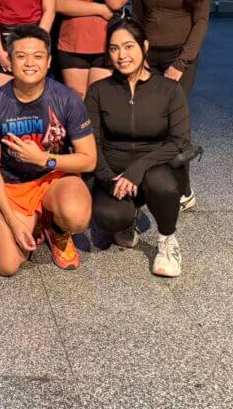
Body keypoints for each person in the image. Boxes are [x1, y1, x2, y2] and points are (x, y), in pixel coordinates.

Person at [0, 25, 97, 275]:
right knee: (6, 266)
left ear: (49, 61)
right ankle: (33, 219)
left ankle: (57, 228)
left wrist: (44, 159)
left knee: (77, 216)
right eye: (21, 56)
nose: (30, 63)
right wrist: (12, 220)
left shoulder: (67, 99)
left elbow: (88, 160)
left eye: (38, 56)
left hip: (54, 179)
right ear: (9, 61)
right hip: (14, 186)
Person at [85, 18, 190, 278]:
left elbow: (179, 141)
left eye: (128, 46)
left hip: (157, 167)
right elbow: (91, 141)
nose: (121, 55)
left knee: (161, 184)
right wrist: (108, 178)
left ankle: (167, 240)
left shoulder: (169, 89)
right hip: (115, 171)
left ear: (144, 46)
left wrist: (138, 168)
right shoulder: (99, 91)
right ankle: (128, 216)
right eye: (114, 48)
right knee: (108, 217)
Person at [132, 0, 209, 212]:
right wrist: (138, 55)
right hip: (148, 57)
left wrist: (181, 62)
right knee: (149, 120)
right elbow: (137, 18)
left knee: (174, 122)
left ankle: (184, 190)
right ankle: (150, 182)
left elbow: (201, 23)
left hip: (180, 57)